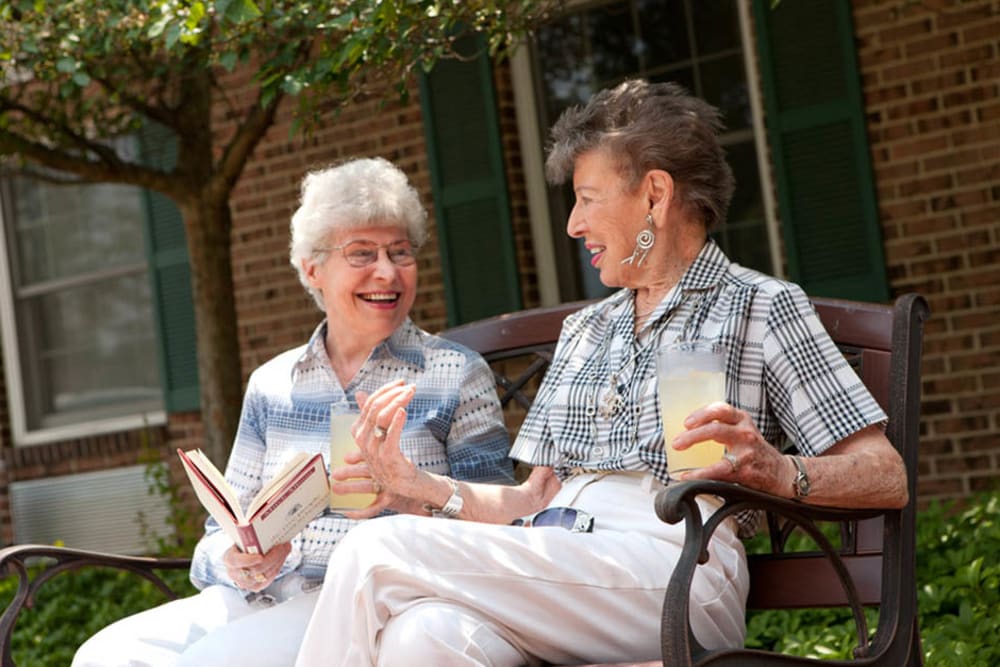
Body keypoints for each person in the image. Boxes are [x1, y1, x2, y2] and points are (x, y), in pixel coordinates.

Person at [293, 80, 909, 666]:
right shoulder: (586, 330)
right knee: (423, 641)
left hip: (678, 562)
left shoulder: (759, 306)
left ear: (655, 195)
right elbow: (533, 500)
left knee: (373, 550)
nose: (573, 224)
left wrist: (777, 471)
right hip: (559, 555)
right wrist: (415, 485)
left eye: (587, 199)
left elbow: (885, 475)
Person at [72, 157, 515, 667]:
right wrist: (241, 560)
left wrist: (410, 489)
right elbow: (219, 535)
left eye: (400, 252)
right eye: (362, 253)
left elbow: (498, 524)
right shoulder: (272, 384)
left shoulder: (454, 373)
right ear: (312, 269)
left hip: (368, 599)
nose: (387, 272)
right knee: (104, 655)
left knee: (214, 661)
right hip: (258, 597)